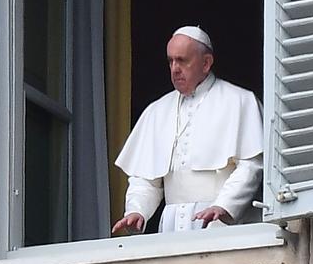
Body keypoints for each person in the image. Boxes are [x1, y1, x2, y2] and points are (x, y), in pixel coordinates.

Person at [112, 26, 263, 234]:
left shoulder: (240, 101)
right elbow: (146, 180)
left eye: (182, 60)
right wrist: (137, 211)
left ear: (206, 63)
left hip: (222, 223)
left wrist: (223, 206)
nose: (174, 68)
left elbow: (251, 166)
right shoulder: (157, 111)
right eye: (170, 61)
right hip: (173, 225)